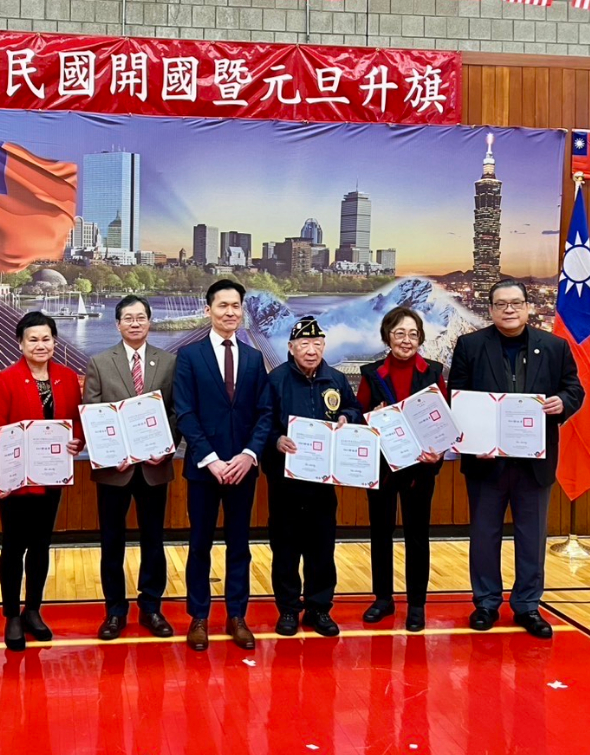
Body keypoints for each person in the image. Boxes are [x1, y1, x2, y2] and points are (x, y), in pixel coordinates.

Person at [449, 280, 584, 638]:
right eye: (501, 304)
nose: (509, 310)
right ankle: (486, 603)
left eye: (515, 303)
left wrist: (563, 403)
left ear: (527, 307)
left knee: (532, 537)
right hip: (485, 461)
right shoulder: (470, 346)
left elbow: (574, 389)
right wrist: (472, 439)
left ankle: (527, 606)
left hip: (534, 463)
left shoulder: (554, 347)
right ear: (490, 310)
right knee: (484, 535)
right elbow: (457, 397)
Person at [173, 279, 273, 652]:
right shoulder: (189, 355)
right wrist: (211, 459)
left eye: (236, 306)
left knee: (239, 545)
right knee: (199, 544)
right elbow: (184, 412)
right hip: (204, 469)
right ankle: (199, 617)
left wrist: (249, 455)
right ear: (208, 310)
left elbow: (265, 413)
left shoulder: (253, 358)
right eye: (222, 305)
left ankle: (237, 616)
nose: (230, 312)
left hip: (243, 469)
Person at [0, 311, 84, 651]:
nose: (40, 345)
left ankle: (33, 610)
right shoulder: (7, 379)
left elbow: (77, 423)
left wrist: (78, 441)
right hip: (15, 481)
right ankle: (12, 615)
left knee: (41, 545)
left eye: (46, 339)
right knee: (14, 546)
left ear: (54, 341)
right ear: (21, 343)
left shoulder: (67, 378)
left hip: (51, 477)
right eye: (33, 339)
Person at [82, 295, 179, 641]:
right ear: (118, 324)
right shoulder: (99, 363)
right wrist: (111, 453)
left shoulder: (168, 362)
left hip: (154, 467)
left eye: (140, 317)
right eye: (128, 318)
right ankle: (114, 611)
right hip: (114, 470)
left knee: (154, 540)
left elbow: (175, 412)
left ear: (149, 322)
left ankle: (151, 607)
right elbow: (92, 414)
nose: (135, 323)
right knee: (112, 542)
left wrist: (164, 448)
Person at [261, 316, 362, 637]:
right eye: (304, 344)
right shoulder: (276, 380)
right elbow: (262, 423)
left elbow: (355, 409)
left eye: (317, 344)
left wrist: (347, 417)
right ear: (291, 348)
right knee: (285, 549)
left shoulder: (336, 379)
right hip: (286, 482)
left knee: (322, 548)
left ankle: (319, 608)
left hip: (322, 483)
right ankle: (289, 609)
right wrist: (276, 440)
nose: (311, 350)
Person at [356, 306, 448, 633]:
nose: (406, 340)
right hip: (382, 467)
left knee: (417, 535)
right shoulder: (371, 373)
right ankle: (383, 599)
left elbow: (445, 420)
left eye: (413, 334)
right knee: (380, 533)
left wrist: (439, 452)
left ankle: (417, 604)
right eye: (399, 334)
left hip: (421, 469)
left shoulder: (433, 372)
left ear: (420, 338)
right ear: (387, 337)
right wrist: (372, 416)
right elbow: (358, 419)